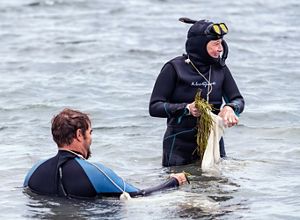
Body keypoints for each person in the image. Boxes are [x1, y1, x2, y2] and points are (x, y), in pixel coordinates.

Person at [24, 108, 187, 199]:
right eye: (90, 132)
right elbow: (139, 195)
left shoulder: (34, 171)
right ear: (80, 134)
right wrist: (173, 182)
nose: (91, 138)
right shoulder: (95, 172)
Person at [149, 18, 245, 167]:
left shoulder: (220, 69)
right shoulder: (174, 68)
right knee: (179, 190)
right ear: (200, 45)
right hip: (178, 147)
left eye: (221, 43)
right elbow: (154, 107)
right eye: (215, 44)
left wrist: (230, 108)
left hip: (213, 143)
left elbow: (238, 99)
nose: (220, 49)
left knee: (219, 187)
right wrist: (187, 109)